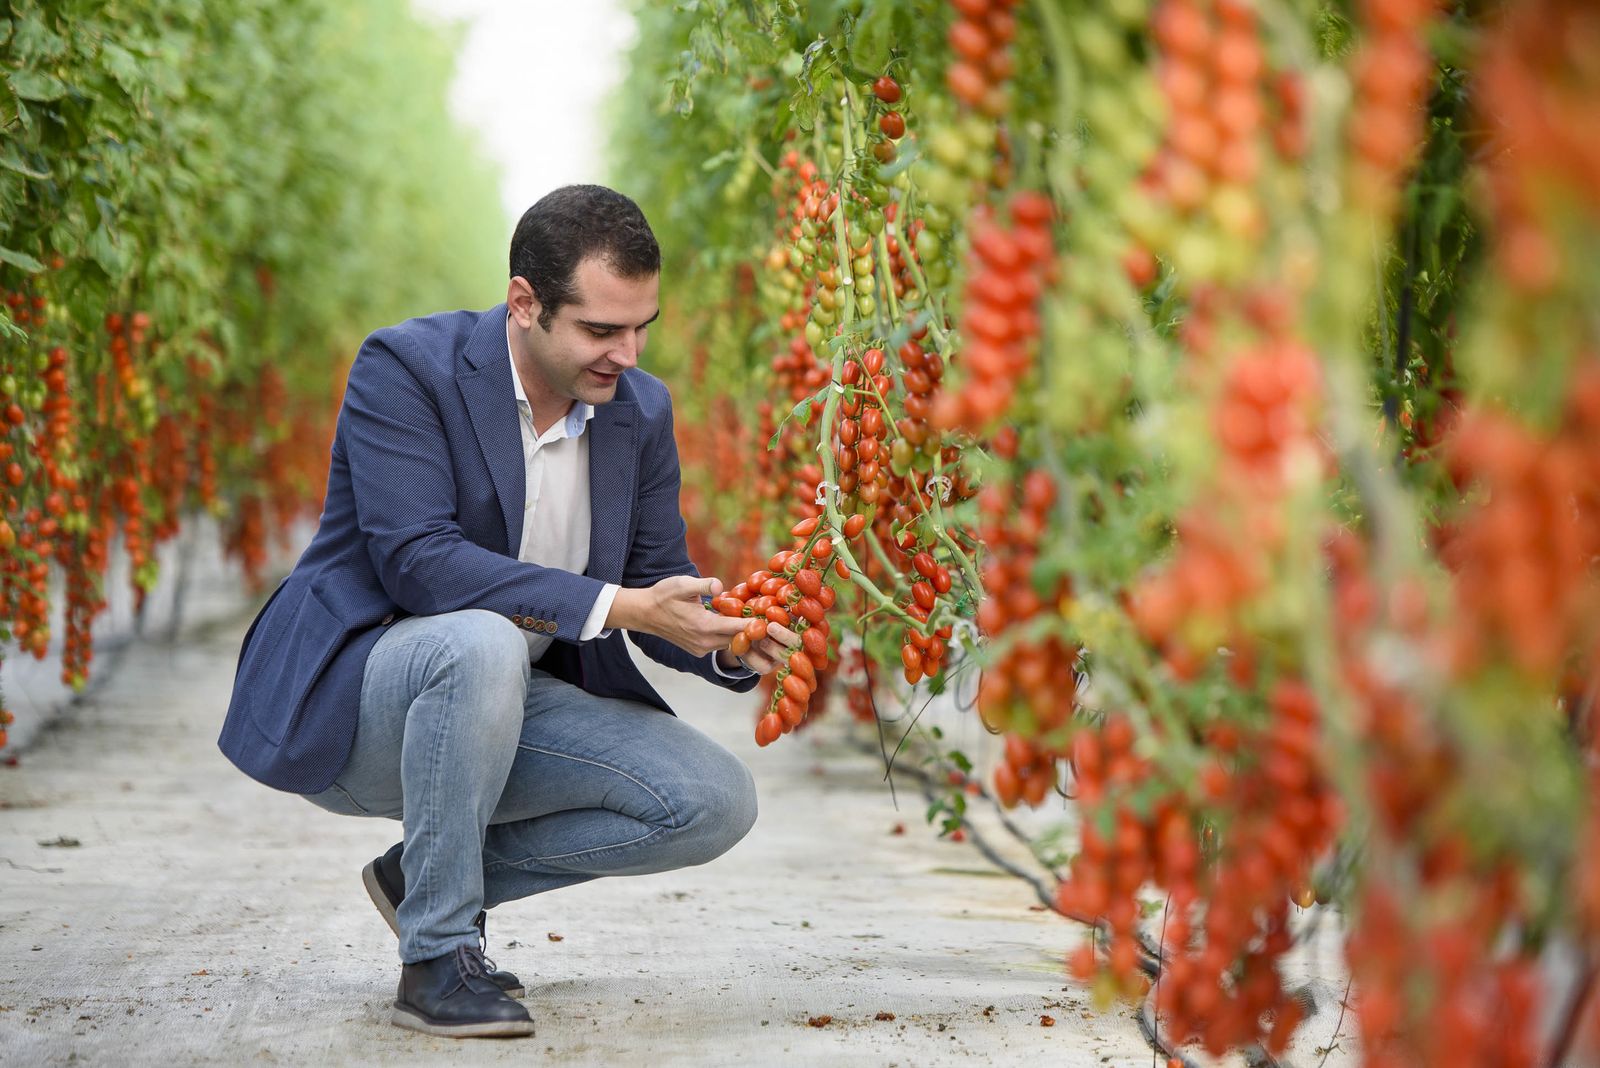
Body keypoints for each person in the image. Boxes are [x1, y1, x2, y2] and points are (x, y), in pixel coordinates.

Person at [217, 184, 801, 1038]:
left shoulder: (638, 411)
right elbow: (418, 563)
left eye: (643, 325)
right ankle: (438, 954)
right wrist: (624, 605)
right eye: (602, 330)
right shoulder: (409, 369)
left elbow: (653, 578)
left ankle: (421, 877)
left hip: (507, 708)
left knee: (712, 800)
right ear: (524, 303)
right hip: (366, 704)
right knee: (483, 644)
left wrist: (726, 640)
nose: (629, 353)